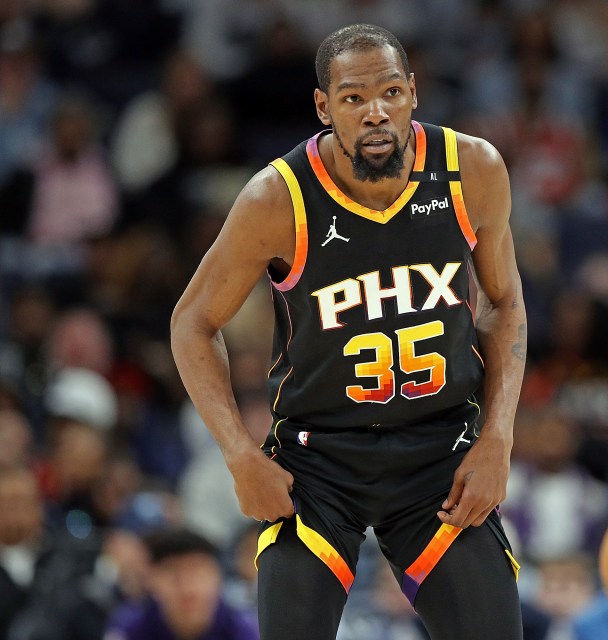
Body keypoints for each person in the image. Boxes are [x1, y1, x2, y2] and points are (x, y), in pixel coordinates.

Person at [170, 23, 527, 640]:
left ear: (414, 93)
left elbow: (504, 303)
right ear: (324, 106)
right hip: (318, 460)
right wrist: (238, 455)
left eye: (391, 92)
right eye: (354, 98)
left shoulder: (473, 169)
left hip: (439, 453)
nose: (376, 113)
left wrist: (497, 436)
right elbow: (191, 323)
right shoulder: (277, 199)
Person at [105, 528, 259, 640]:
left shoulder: (246, 630)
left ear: (217, 576)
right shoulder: (128, 628)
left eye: (197, 573)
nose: (187, 588)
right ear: (151, 579)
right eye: (174, 575)